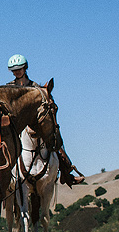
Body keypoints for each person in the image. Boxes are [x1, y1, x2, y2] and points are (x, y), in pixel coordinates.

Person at [7, 54, 84, 186]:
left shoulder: (35, 87)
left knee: (55, 139)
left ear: (25, 68)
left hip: (34, 123)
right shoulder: (9, 88)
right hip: (17, 125)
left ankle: (67, 171)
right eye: (14, 70)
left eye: (19, 68)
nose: (17, 72)